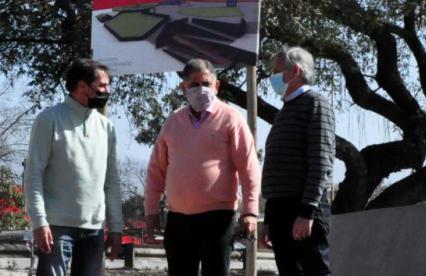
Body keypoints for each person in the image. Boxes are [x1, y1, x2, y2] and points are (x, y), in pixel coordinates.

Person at [144, 58, 260, 276]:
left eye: (206, 84)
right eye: (194, 84)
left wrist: (251, 211)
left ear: (216, 86)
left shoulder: (231, 118)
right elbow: (156, 170)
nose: (201, 89)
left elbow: (249, 167)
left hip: (218, 219)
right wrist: (150, 210)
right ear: (183, 88)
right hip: (178, 220)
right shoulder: (173, 121)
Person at [24, 59, 123, 276]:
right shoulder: (49, 119)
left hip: (94, 230)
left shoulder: (106, 127)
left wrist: (116, 227)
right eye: (102, 86)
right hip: (56, 228)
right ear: (82, 86)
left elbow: (111, 180)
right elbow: (33, 174)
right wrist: (39, 222)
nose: (107, 91)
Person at [262, 47, 336, 276]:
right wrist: (270, 219)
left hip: (302, 209)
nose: (272, 78)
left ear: (294, 71)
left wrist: (307, 212)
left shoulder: (315, 104)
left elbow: (321, 161)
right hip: (281, 209)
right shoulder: (286, 109)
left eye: (276, 71)